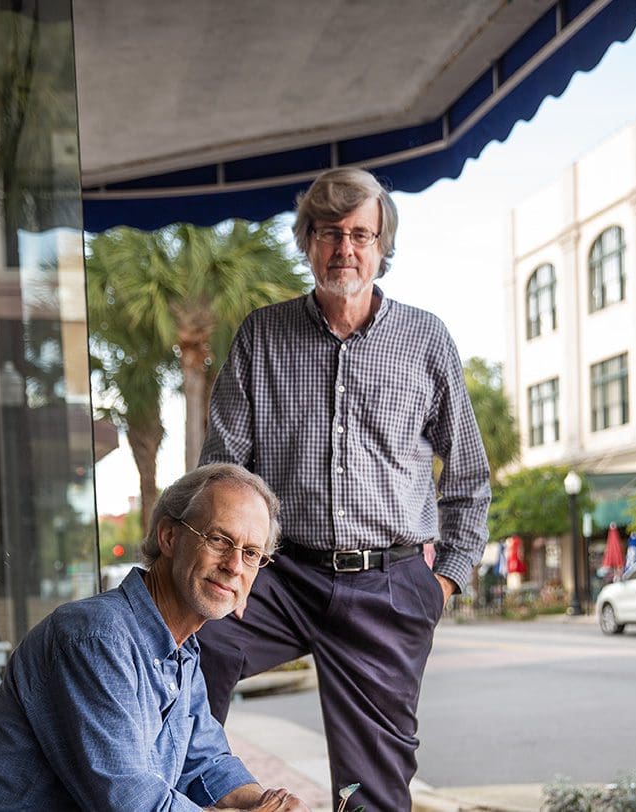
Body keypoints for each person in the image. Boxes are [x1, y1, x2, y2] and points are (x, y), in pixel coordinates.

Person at [197, 167, 491, 812]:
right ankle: (198, 788)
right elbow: (223, 470)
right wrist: (232, 568)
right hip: (282, 576)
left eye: (362, 233)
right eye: (330, 232)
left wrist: (441, 584)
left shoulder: (425, 338)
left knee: (368, 791)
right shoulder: (262, 334)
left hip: (387, 585)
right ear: (308, 241)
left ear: (382, 246)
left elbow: (468, 477)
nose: (346, 248)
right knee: (197, 642)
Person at [0, 463, 310, 812]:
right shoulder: (96, 638)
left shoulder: (182, 651)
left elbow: (206, 763)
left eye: (251, 554)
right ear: (169, 537)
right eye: (219, 540)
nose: (234, 566)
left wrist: (268, 801)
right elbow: (130, 802)